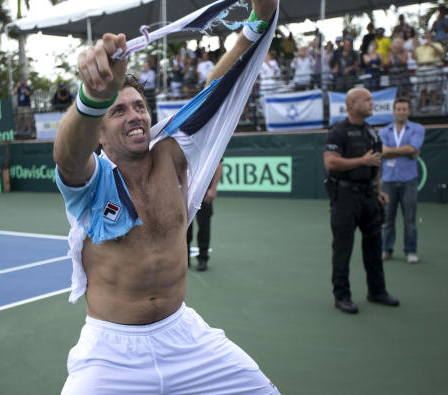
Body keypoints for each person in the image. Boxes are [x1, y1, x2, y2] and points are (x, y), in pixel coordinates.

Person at [53, 0, 280, 393]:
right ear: (99, 135)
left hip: (184, 337)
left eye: (139, 107)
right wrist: (93, 99)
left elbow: (214, 90)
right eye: (118, 111)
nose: (134, 116)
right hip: (111, 353)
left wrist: (258, 22)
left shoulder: (171, 154)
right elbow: (67, 158)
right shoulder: (90, 181)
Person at [323, 87, 400, 314]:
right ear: (352, 105)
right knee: (343, 250)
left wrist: (378, 190)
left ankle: (377, 291)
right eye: (367, 100)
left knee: (374, 247)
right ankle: (342, 296)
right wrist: (362, 160)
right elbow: (331, 163)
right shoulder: (338, 131)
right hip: (344, 198)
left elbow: (376, 163)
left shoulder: (371, 132)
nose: (371, 103)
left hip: (369, 197)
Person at [378, 98, 424, 264]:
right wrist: (405, 151)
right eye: (398, 109)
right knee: (387, 219)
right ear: (394, 111)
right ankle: (386, 250)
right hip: (388, 181)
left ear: (409, 111)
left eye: (404, 109)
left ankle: (411, 251)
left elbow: (413, 148)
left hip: (408, 181)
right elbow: (381, 151)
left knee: (409, 219)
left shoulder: (417, 129)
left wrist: (391, 151)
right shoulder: (384, 131)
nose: (401, 112)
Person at [187, 162, 223, 271]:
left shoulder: (208, 144)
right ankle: (184, 259)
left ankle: (203, 259)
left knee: (204, 226)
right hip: (185, 191)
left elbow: (218, 164)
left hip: (204, 192)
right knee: (185, 226)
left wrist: (213, 188)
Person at [415, 32, 445, 111]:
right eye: (424, 37)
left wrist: (431, 45)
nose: (426, 39)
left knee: (433, 89)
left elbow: (441, 53)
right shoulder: (419, 48)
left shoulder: (436, 45)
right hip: (421, 68)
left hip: (432, 67)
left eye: (427, 37)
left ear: (431, 38)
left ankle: (434, 107)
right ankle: (423, 107)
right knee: (422, 89)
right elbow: (414, 57)